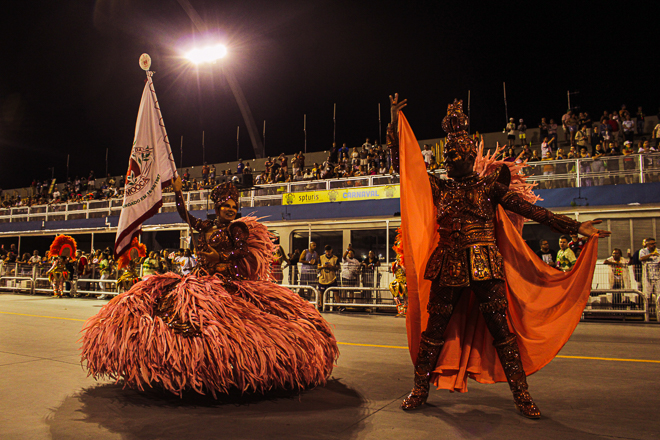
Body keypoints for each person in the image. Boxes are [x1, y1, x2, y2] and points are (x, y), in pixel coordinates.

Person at [388, 94, 609, 418]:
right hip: (447, 263)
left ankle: (522, 395)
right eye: (448, 154)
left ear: (468, 155)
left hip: (485, 264)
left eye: (456, 153)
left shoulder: (489, 187)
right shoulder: (440, 188)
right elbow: (404, 168)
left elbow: (532, 210)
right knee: (433, 333)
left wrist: (575, 227)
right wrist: (394, 129)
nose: (450, 158)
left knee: (503, 333)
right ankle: (419, 389)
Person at [82, 178, 338, 397]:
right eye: (226, 205)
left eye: (234, 206)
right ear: (216, 207)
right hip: (200, 281)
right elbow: (185, 216)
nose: (230, 209)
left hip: (226, 283)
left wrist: (220, 258)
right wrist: (179, 192)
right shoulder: (206, 226)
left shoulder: (237, 229)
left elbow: (241, 251)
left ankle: (228, 368)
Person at [639, 238, 660, 308]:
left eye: (654, 243)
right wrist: (651, 254)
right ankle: (646, 310)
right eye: (652, 244)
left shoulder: (659, 251)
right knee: (647, 294)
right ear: (647, 245)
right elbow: (641, 258)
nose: (654, 245)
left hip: (657, 275)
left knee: (658, 294)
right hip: (647, 275)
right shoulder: (643, 251)